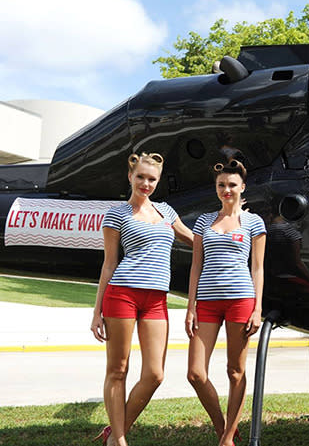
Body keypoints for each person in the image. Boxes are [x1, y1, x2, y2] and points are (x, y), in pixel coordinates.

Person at [90, 152, 194, 446]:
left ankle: (115, 430)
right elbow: (109, 264)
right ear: (130, 177)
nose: (145, 183)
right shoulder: (116, 214)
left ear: (157, 182)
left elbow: (197, 241)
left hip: (156, 299)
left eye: (152, 179)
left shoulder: (167, 213)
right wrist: (97, 311)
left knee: (155, 374)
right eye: (141, 177)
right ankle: (119, 439)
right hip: (121, 294)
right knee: (118, 369)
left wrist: (232, 222)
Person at [186, 159, 266, 446]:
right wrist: (190, 306)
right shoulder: (204, 221)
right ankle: (223, 427)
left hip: (240, 300)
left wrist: (257, 308)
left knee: (235, 371)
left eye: (232, 185)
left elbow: (257, 268)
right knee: (195, 373)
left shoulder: (254, 222)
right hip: (206, 302)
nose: (226, 190)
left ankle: (227, 440)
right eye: (221, 185)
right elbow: (196, 266)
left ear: (242, 187)